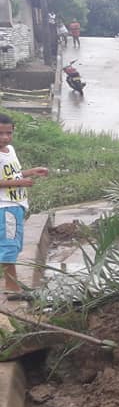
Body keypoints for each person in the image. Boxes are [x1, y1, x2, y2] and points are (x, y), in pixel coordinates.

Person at [0, 114, 48, 292]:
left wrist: (30, 172)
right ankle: (12, 288)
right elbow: (12, 181)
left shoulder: (10, 150)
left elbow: (13, 174)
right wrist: (18, 183)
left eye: (8, 133)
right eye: (0, 133)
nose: (5, 137)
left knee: (14, 245)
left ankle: (12, 284)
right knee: (9, 246)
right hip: (5, 207)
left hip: (17, 205)